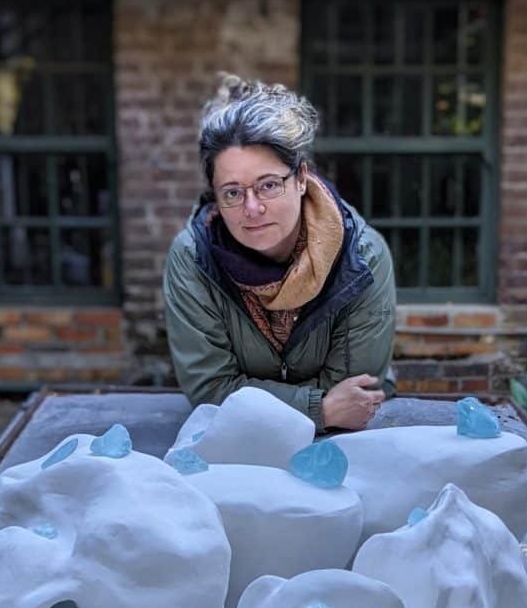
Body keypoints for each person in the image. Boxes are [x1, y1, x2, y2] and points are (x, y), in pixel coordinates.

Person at [163, 75, 396, 433]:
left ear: (301, 178)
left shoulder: (363, 257)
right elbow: (210, 391)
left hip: (345, 449)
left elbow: (355, 396)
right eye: (232, 193)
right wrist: (319, 409)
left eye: (269, 185)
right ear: (215, 195)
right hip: (235, 451)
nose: (252, 208)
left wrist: (250, 399)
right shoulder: (193, 260)